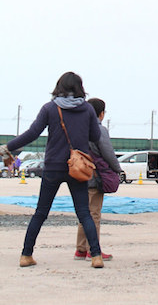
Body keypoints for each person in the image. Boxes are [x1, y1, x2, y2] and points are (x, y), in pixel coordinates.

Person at [0, 72, 104, 268]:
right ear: (80, 88)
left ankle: (26, 255)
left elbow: (32, 133)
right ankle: (96, 256)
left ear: (59, 87)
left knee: (41, 212)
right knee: (84, 213)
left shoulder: (50, 108)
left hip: (53, 167)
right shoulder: (88, 110)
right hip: (77, 167)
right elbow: (96, 136)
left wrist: (8, 147)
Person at [75, 97, 121, 261]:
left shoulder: (78, 127)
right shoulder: (99, 130)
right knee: (94, 214)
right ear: (101, 114)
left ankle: (80, 249)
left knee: (84, 213)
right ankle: (92, 250)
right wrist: (117, 169)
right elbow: (108, 153)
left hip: (79, 175)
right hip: (94, 177)